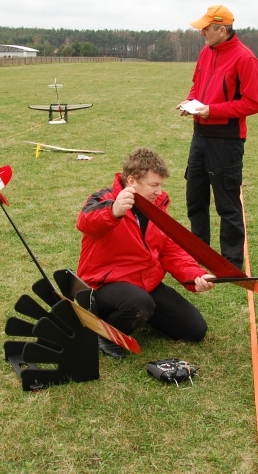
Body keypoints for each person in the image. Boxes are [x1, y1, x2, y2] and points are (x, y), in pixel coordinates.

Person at [76, 147, 216, 358]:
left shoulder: (157, 208)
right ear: (132, 181)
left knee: (195, 330)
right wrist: (114, 211)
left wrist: (196, 275)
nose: (159, 192)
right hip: (103, 285)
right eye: (154, 185)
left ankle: (138, 313)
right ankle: (104, 334)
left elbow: (171, 251)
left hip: (145, 284)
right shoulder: (104, 198)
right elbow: (85, 222)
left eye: (161, 185)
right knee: (139, 303)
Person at [177, 5, 258, 270]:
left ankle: (231, 263)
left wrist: (212, 111)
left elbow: (252, 103)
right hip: (200, 136)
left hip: (226, 141)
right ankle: (198, 253)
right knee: (195, 198)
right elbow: (197, 85)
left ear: (222, 30)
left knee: (227, 204)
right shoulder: (206, 52)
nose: (202, 33)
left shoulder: (245, 59)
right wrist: (191, 101)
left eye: (206, 29)